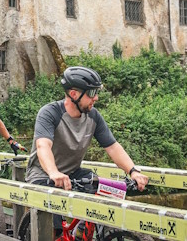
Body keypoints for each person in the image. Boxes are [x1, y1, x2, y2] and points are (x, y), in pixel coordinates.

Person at [25, 66, 149, 238]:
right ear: (74, 94)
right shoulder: (50, 113)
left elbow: (112, 146)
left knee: (102, 192)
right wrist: (54, 172)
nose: (96, 98)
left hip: (74, 173)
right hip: (43, 175)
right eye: (91, 93)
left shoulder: (94, 116)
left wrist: (133, 171)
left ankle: (82, 231)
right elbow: (43, 146)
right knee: (54, 230)